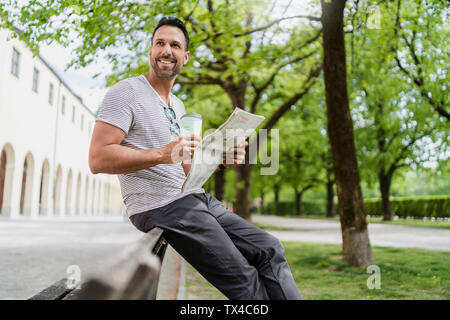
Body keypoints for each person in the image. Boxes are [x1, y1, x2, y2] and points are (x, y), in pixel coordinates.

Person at [88, 16, 301, 300]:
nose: (167, 50)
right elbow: (97, 159)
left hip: (194, 197)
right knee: (245, 279)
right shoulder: (125, 93)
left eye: (175, 45)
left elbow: (187, 168)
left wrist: (220, 158)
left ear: (185, 57)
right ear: (150, 51)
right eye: (160, 43)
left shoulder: (177, 105)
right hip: (160, 205)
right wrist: (163, 154)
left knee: (269, 249)